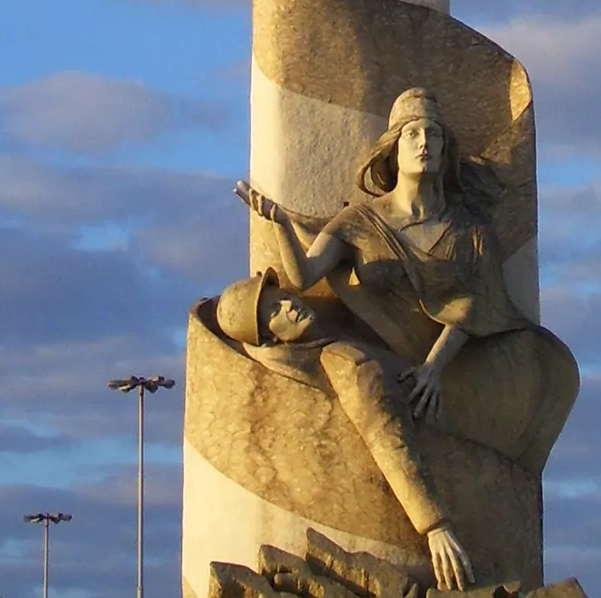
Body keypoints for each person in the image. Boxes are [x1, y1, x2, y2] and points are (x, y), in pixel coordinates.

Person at [240, 86, 579, 479]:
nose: (424, 143)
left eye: (433, 134)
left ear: (445, 150)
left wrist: (433, 368)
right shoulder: (359, 222)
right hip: (391, 369)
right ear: (393, 149)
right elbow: (304, 276)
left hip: (458, 376)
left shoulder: (470, 231)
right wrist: (281, 225)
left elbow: (477, 306)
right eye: (412, 134)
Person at [212, 267, 474, 590]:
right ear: (269, 338)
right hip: (463, 460)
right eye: (274, 311)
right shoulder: (346, 363)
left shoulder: (333, 336)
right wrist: (434, 526)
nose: (290, 306)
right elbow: (387, 438)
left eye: (282, 297)